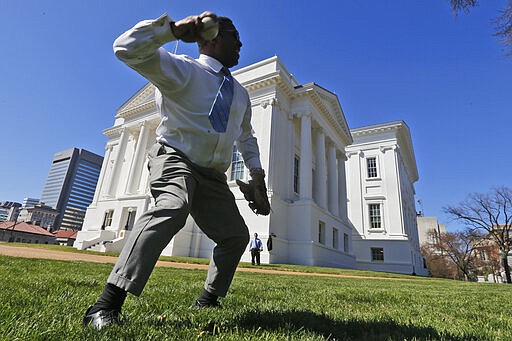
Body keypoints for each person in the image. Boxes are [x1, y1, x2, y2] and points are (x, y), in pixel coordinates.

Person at [82, 11, 270, 329]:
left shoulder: (240, 93)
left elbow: (246, 137)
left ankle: (208, 299)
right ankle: (105, 305)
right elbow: (125, 48)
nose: (241, 42)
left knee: (235, 236)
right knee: (172, 206)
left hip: (212, 174)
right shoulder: (182, 69)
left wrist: (258, 179)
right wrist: (170, 31)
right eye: (234, 35)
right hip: (175, 158)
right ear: (212, 37)